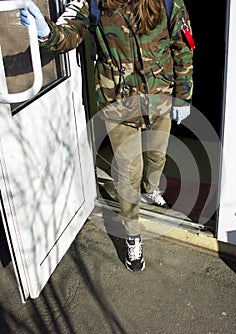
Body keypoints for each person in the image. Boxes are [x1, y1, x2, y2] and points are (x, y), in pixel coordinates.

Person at [20, 0, 194, 272]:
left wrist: (184, 95)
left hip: (158, 99)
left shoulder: (169, 2)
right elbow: (68, 35)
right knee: (127, 171)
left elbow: (182, 47)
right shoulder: (93, 3)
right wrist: (45, 31)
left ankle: (150, 190)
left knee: (157, 156)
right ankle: (132, 234)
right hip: (119, 104)